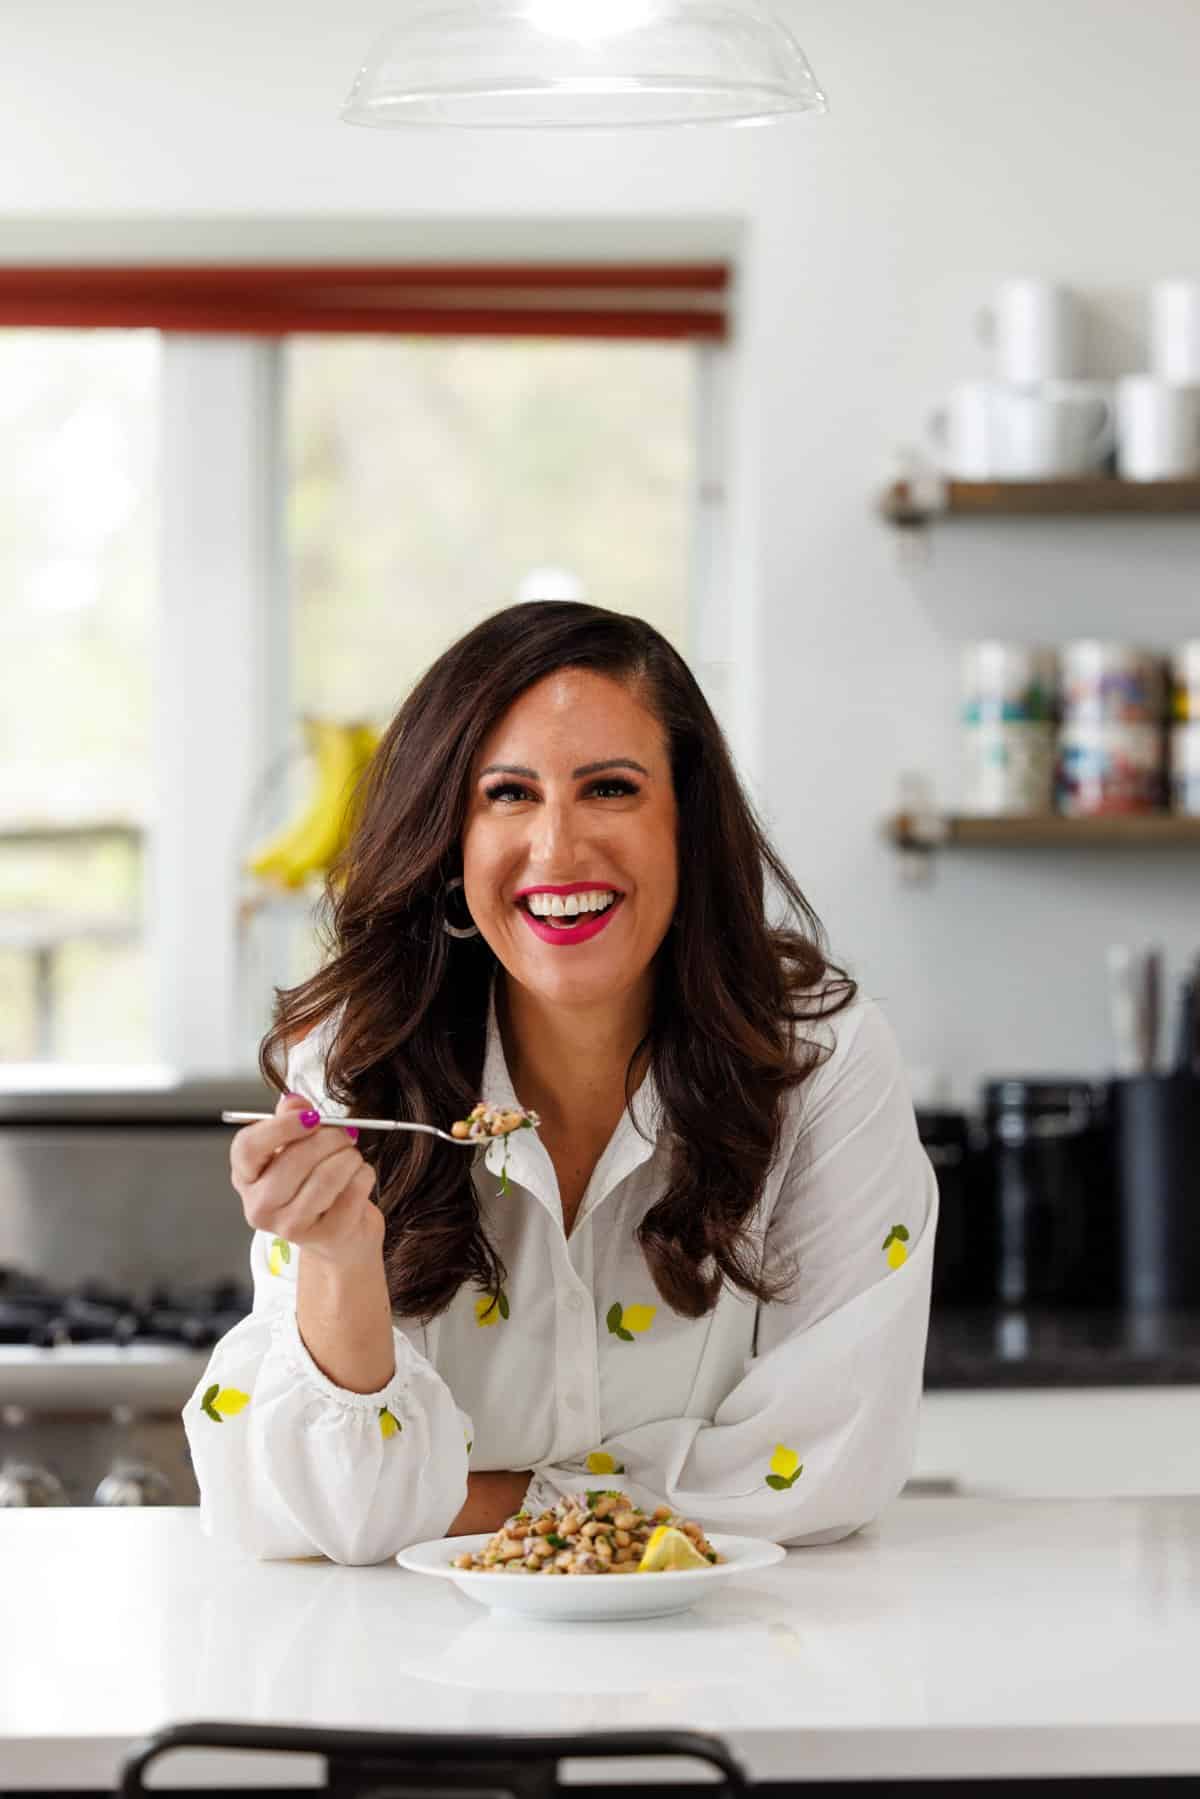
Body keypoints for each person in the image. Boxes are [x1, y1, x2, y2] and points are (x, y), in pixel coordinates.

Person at [184, 601, 938, 1564]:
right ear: (451, 843)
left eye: (611, 788)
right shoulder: (356, 1063)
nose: (557, 848)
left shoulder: (821, 1064)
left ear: (687, 825)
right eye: (508, 794)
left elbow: (828, 1468)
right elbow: (320, 1505)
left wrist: (463, 1497)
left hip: (735, 1667)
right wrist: (340, 1261)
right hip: (414, 1678)